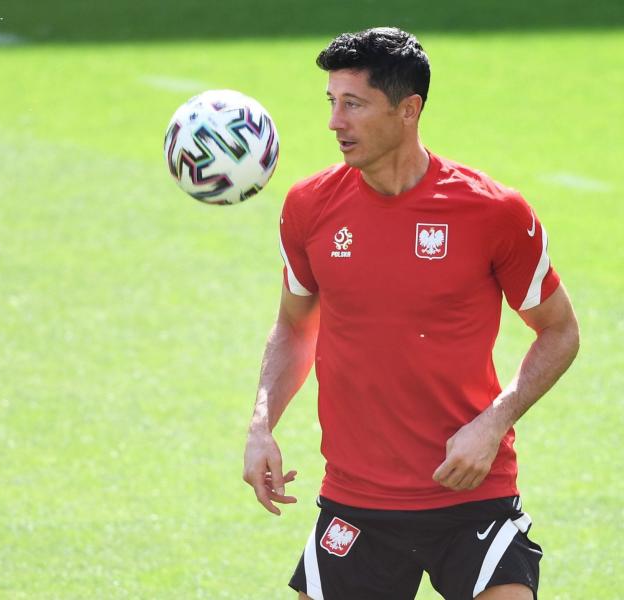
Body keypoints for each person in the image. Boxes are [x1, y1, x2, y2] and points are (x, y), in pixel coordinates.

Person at [241, 27, 580, 600]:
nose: (334, 122)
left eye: (353, 104)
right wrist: (261, 424)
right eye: (331, 102)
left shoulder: (493, 211)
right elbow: (295, 327)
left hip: (472, 492)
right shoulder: (308, 207)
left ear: (408, 110)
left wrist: (493, 423)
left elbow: (560, 330)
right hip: (357, 503)